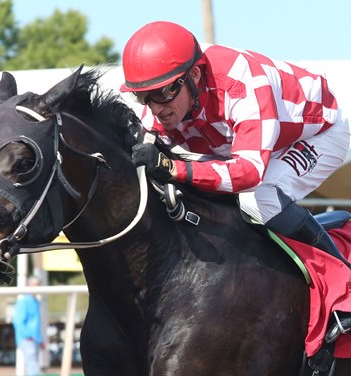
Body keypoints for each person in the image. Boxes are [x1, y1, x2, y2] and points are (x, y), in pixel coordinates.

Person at [121, 21, 351, 267]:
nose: (156, 108)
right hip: (252, 144)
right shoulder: (164, 101)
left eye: (163, 93)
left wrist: (174, 169)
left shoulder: (241, 83)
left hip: (321, 133)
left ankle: (342, 276)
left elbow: (249, 173)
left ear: (194, 76)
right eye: (143, 96)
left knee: (259, 197)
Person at [12, 276, 44, 376]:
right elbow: (18, 321)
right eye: (34, 285)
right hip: (27, 338)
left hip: (35, 339)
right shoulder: (24, 301)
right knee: (32, 365)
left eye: (38, 285)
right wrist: (27, 336)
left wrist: (40, 339)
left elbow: (36, 322)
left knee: (34, 363)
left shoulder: (37, 302)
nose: (36, 288)